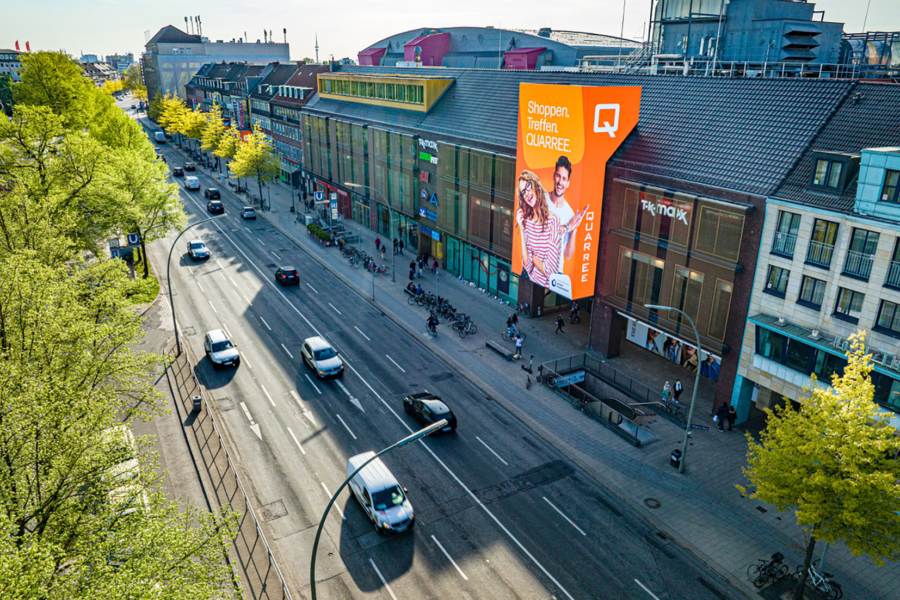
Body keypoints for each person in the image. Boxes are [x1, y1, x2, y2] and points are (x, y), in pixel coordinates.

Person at [515, 171, 561, 287]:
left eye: (528, 186)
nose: (526, 193)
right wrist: (522, 229)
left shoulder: (553, 221)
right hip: (530, 283)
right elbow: (528, 266)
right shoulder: (528, 223)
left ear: (535, 185)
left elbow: (551, 272)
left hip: (547, 289)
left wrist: (533, 257)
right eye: (523, 192)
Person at [547, 156, 588, 274]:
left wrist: (574, 228)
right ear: (554, 176)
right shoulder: (542, 201)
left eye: (564, 179)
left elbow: (568, 255)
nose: (560, 181)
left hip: (557, 273)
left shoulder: (570, 213)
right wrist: (567, 227)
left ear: (568, 183)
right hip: (539, 268)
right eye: (559, 176)